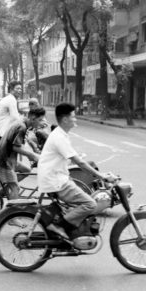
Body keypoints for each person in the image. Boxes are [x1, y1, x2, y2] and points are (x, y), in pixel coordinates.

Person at [37, 103, 116, 240]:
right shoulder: (59, 137)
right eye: (73, 116)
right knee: (90, 204)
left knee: (82, 197)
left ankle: (73, 231)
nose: (76, 119)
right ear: (65, 119)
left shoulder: (61, 134)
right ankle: (58, 226)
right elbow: (79, 162)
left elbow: (73, 159)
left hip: (57, 178)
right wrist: (100, 175)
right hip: (56, 181)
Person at [0, 107, 46, 200]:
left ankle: (4, 185)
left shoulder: (23, 124)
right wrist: (32, 155)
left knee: (27, 170)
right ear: (33, 118)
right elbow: (16, 147)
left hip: (9, 159)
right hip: (4, 161)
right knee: (15, 189)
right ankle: (9, 210)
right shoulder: (22, 127)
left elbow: (20, 144)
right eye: (40, 120)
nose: (41, 122)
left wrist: (34, 154)